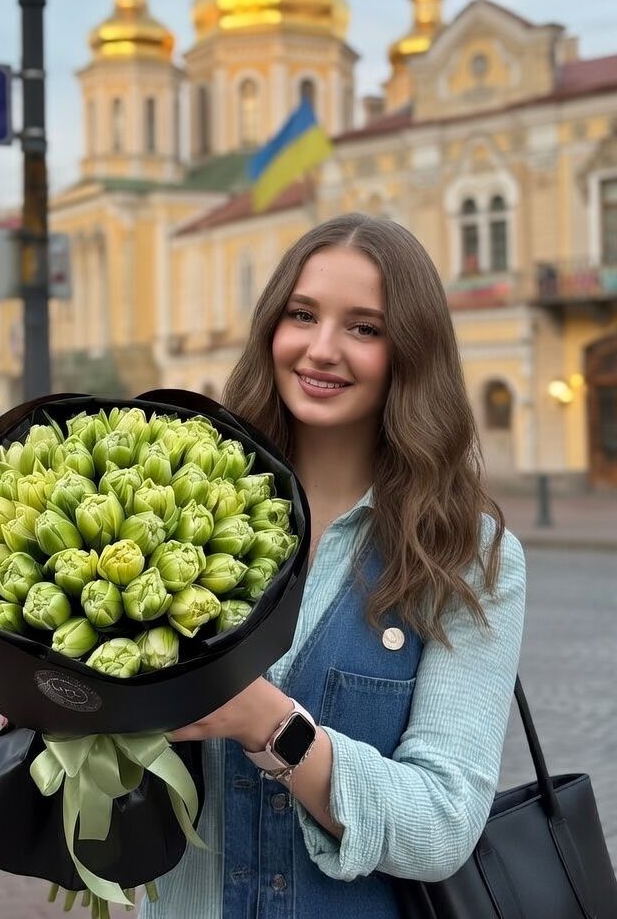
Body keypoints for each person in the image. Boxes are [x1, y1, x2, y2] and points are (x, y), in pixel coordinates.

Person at [143, 214, 527, 918]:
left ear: (410, 352)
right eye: (302, 315)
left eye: (364, 328)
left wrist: (270, 723)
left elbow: (443, 822)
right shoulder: (174, 509)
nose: (321, 349)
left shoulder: (463, 553)